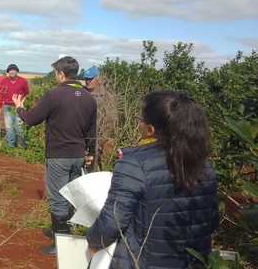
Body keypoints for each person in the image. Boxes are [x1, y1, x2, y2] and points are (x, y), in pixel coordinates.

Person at [86, 91, 219, 269]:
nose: (138, 122)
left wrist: (94, 242)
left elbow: (113, 221)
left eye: (140, 119)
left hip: (144, 262)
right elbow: (210, 220)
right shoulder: (204, 165)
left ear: (150, 130)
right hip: (193, 261)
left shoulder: (135, 164)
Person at [11, 56, 96, 255]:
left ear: (61, 74)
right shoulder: (88, 98)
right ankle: (62, 230)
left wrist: (19, 108)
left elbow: (31, 120)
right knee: (71, 194)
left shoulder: (55, 95)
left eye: (56, 73)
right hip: (78, 155)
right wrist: (90, 153)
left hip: (58, 155)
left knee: (57, 198)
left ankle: (61, 243)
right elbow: (93, 131)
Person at [0, 64, 29, 148]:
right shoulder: (4, 81)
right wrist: (0, 104)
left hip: (19, 107)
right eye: (10, 70)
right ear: (8, 72)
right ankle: (11, 145)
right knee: (9, 126)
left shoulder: (23, 81)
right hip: (7, 106)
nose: (12, 71)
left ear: (17, 71)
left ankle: (22, 145)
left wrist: (22, 102)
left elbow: (27, 93)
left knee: (19, 126)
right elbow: (1, 93)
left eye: (14, 70)